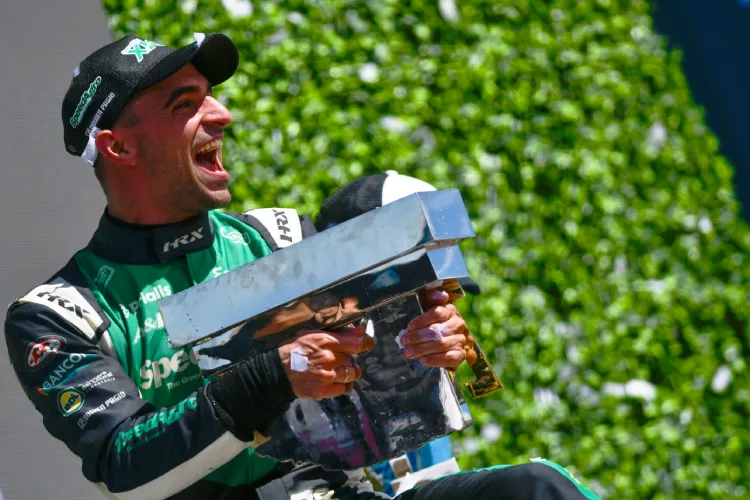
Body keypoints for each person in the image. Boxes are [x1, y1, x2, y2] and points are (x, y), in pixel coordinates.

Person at [3, 33, 601, 500]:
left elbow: (380, 389)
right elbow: (122, 469)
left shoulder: (280, 235)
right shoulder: (56, 316)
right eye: (186, 103)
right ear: (119, 147)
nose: (222, 114)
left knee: (537, 489)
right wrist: (271, 375)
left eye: (210, 93)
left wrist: (431, 345)